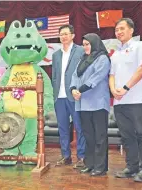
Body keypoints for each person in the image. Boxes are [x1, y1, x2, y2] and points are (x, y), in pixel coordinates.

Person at [110, 18, 142, 182]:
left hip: (137, 100)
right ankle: (131, 166)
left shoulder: (140, 46)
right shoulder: (116, 53)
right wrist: (113, 90)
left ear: (131, 30)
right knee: (127, 136)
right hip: (119, 101)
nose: (118, 32)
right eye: (116, 30)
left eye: (122, 28)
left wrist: (126, 88)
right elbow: (112, 75)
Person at [70, 33, 110, 176]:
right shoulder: (83, 59)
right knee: (88, 136)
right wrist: (73, 89)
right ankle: (90, 164)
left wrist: (80, 90)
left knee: (100, 136)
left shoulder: (102, 58)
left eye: (88, 44)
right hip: (82, 104)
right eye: (84, 44)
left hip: (98, 103)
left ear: (94, 43)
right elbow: (75, 75)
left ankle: (100, 167)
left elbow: (97, 77)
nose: (85, 47)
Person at [52, 25, 86, 168]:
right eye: (61, 34)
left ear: (72, 35)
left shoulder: (81, 50)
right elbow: (54, 76)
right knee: (63, 128)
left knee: (80, 127)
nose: (63, 37)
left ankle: (82, 157)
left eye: (66, 34)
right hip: (59, 97)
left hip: (75, 95)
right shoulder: (55, 55)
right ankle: (66, 156)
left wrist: (81, 90)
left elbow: (84, 72)